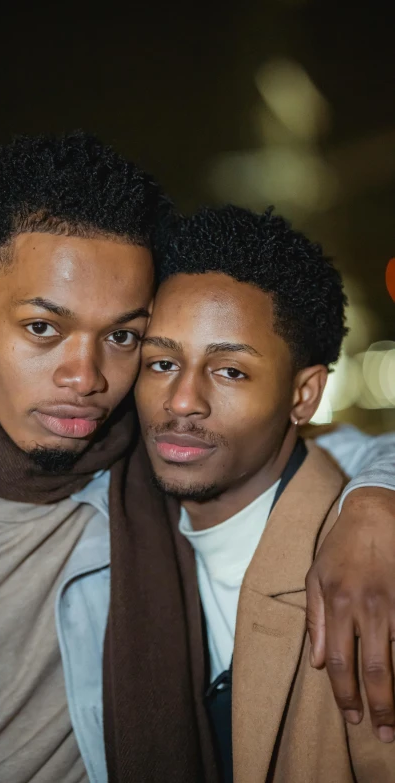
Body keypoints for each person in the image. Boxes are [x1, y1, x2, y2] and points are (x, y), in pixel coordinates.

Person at [0, 133, 393, 783]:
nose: (86, 376)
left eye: (123, 336)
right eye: (44, 327)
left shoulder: (143, 451)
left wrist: (374, 502)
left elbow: (318, 447)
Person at [133, 204, 395, 781]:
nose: (182, 400)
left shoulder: (370, 585)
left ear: (304, 396)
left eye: (231, 371)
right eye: (160, 361)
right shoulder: (122, 528)